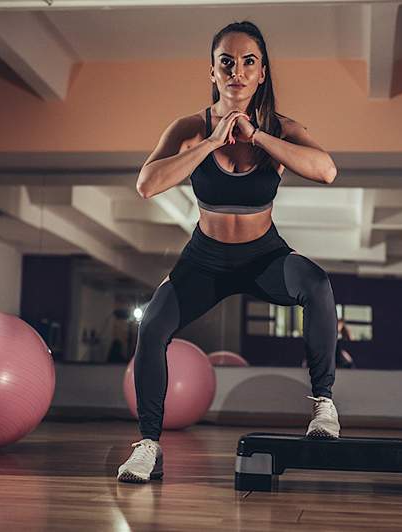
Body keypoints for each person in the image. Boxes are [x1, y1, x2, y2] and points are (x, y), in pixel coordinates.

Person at [118, 21, 340, 483]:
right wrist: (214, 142)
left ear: (262, 73)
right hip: (205, 259)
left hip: (264, 256)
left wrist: (257, 136)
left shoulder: (281, 129)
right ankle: (149, 446)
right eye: (226, 62)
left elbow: (326, 171)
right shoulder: (188, 128)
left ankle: (324, 406)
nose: (237, 70)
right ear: (213, 73)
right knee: (154, 325)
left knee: (317, 285)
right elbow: (147, 184)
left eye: (248, 62)